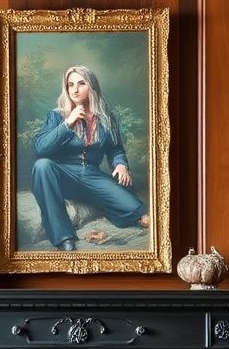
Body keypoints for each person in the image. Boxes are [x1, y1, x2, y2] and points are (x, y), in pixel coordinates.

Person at [31, 65, 150, 251]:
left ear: (92, 86)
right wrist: (67, 124)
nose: (75, 90)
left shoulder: (106, 118)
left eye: (81, 83)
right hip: (63, 175)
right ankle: (64, 237)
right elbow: (40, 148)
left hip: (93, 176)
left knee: (136, 210)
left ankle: (115, 210)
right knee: (42, 165)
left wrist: (120, 164)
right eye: (70, 85)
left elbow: (115, 148)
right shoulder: (57, 115)